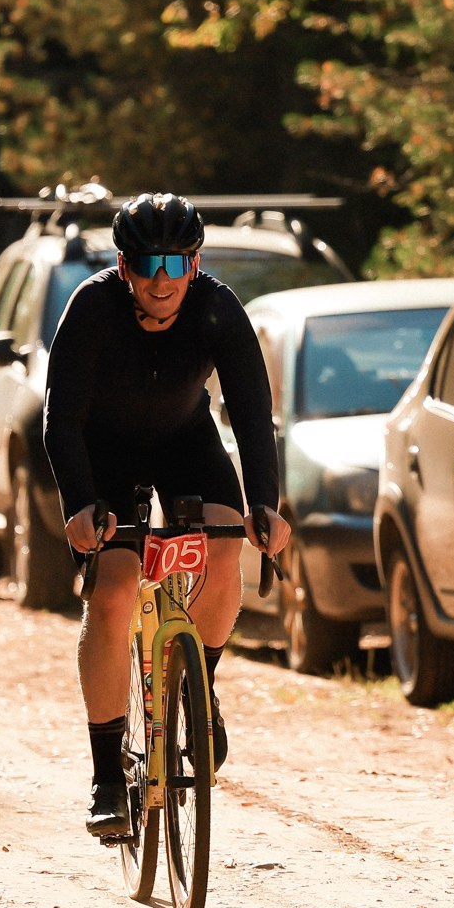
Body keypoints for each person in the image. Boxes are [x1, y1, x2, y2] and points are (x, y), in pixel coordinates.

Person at [41, 192, 292, 837]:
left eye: (176, 264)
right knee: (117, 586)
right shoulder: (92, 310)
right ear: (123, 266)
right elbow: (60, 420)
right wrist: (78, 504)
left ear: (196, 263)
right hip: (106, 454)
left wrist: (265, 502)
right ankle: (105, 773)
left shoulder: (217, 310)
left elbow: (253, 413)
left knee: (225, 544)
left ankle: (199, 686)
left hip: (187, 442)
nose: (161, 278)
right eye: (146, 263)